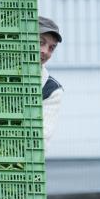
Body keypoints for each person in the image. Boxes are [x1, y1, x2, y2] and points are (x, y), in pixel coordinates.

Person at [39, 16, 63, 146]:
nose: (45, 51)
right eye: (40, 42)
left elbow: (42, 135)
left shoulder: (51, 89)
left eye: (51, 48)